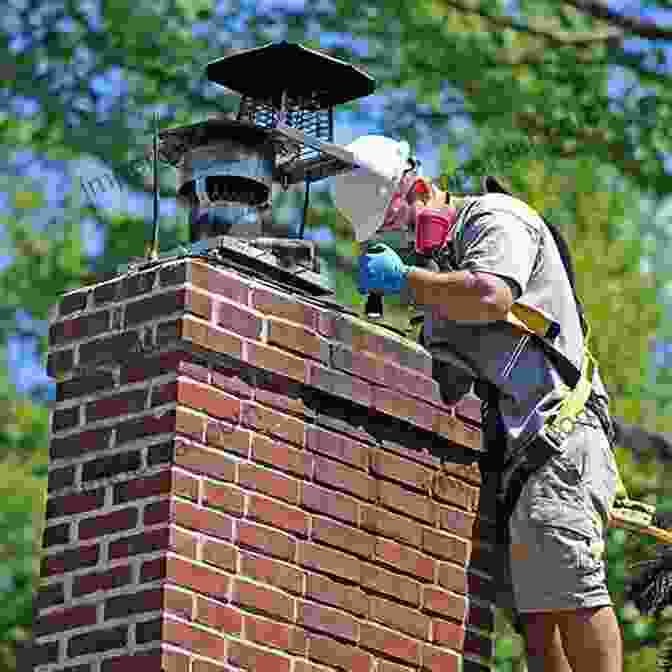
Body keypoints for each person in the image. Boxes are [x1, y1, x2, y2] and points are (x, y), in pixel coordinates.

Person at [357, 175, 623, 672]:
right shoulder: (439, 279)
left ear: (420, 190)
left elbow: (491, 295)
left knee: (570, 582)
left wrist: (404, 281)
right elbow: (451, 380)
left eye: (402, 225)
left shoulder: (494, 218)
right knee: (537, 617)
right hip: (518, 454)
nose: (406, 245)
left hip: (560, 433)